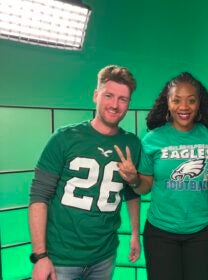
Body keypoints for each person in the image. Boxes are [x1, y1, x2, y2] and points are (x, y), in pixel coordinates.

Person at [115, 72, 208, 280]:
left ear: (199, 104)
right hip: (161, 232)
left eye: (191, 100)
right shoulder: (153, 139)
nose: (184, 107)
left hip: (203, 231)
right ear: (167, 103)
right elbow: (145, 187)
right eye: (176, 100)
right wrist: (133, 179)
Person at [28, 65, 141, 280]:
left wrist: (135, 234)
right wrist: (40, 255)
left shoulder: (131, 144)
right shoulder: (64, 138)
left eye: (123, 99)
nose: (115, 105)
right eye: (109, 96)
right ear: (95, 96)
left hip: (104, 256)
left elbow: (132, 193)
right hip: (61, 258)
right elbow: (39, 196)